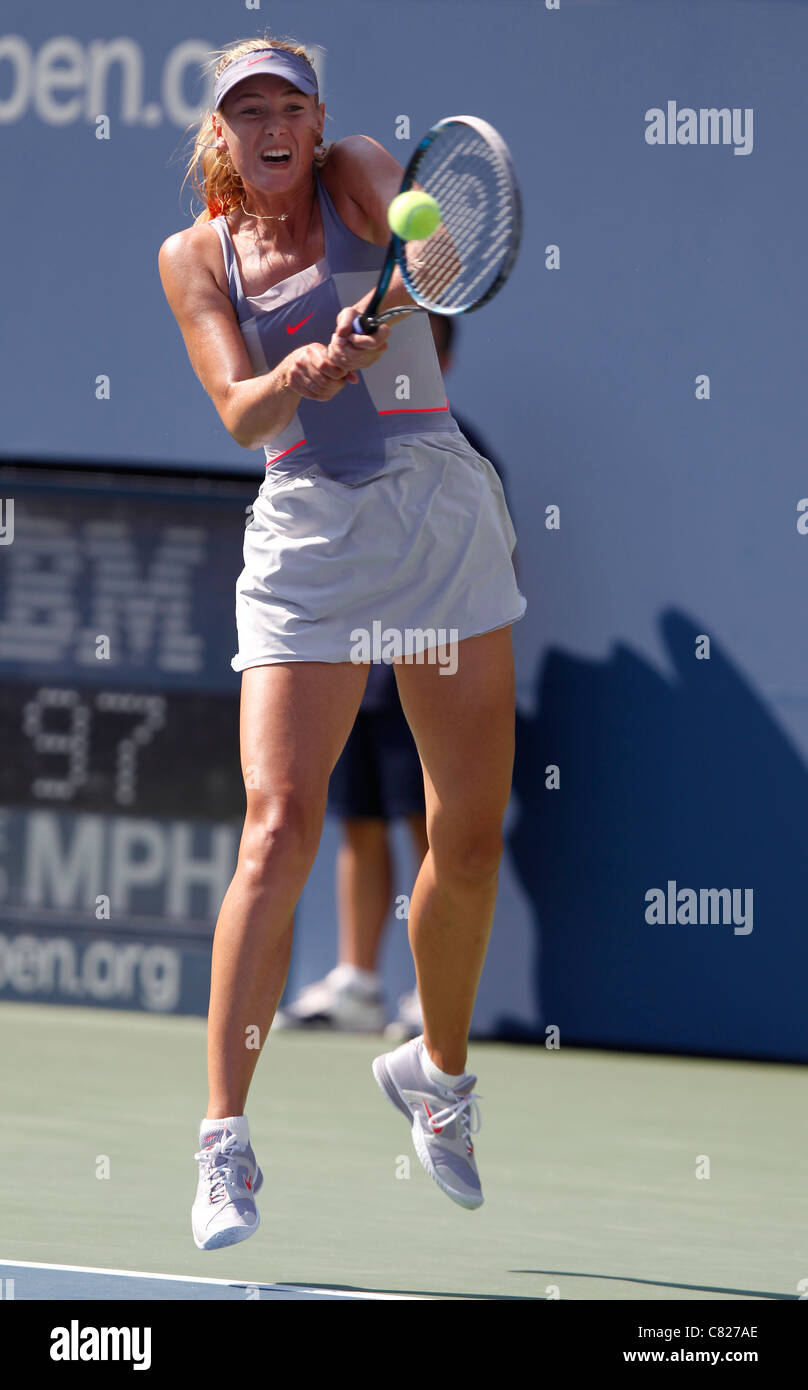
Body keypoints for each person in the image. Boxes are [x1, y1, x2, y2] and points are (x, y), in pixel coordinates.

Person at [158, 33, 526, 1249]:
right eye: (245, 109)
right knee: (279, 824)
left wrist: (414, 274)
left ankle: (437, 1071)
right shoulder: (192, 257)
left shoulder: (365, 167)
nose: (270, 125)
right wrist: (304, 375)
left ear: (318, 124)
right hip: (311, 532)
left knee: (466, 836)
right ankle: (222, 1140)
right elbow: (234, 409)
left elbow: (431, 256)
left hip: (435, 504)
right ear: (220, 134)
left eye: (289, 106)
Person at [275, 315, 516, 1041]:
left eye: (422, 341)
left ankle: (425, 995)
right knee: (362, 824)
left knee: (432, 826)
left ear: (439, 357)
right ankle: (358, 982)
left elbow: (486, 573)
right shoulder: (336, 434)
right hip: (354, 671)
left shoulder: (460, 449)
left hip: (428, 672)